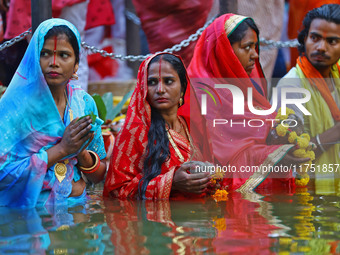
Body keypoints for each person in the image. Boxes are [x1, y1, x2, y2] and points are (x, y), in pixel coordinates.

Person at [183, 13, 309, 194]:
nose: (255, 55)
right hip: (221, 208)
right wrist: (275, 158)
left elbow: (258, 136)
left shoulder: (246, 90)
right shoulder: (202, 93)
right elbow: (220, 160)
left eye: (255, 47)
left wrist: (286, 138)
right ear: (223, 50)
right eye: (247, 47)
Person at [0, 18, 107, 207]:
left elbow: (99, 176)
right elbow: (3, 176)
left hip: (78, 209)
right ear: (34, 59)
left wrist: (81, 152)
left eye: (64, 55)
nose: (54, 63)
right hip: (31, 214)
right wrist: (62, 150)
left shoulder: (83, 104)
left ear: (76, 65)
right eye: (45, 54)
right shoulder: (15, 109)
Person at [104, 53, 215, 199]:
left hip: (199, 216)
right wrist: (171, 182)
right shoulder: (134, 132)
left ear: (182, 88)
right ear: (144, 88)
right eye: (152, 82)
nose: (160, 89)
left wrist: (212, 179)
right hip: (156, 219)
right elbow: (116, 192)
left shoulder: (192, 126)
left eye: (168, 81)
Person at [276, 4, 340, 194]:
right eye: (315, 38)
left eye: (332, 41)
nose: (321, 47)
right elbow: (292, 155)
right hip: (309, 194)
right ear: (305, 39)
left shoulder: (337, 74)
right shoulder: (292, 85)